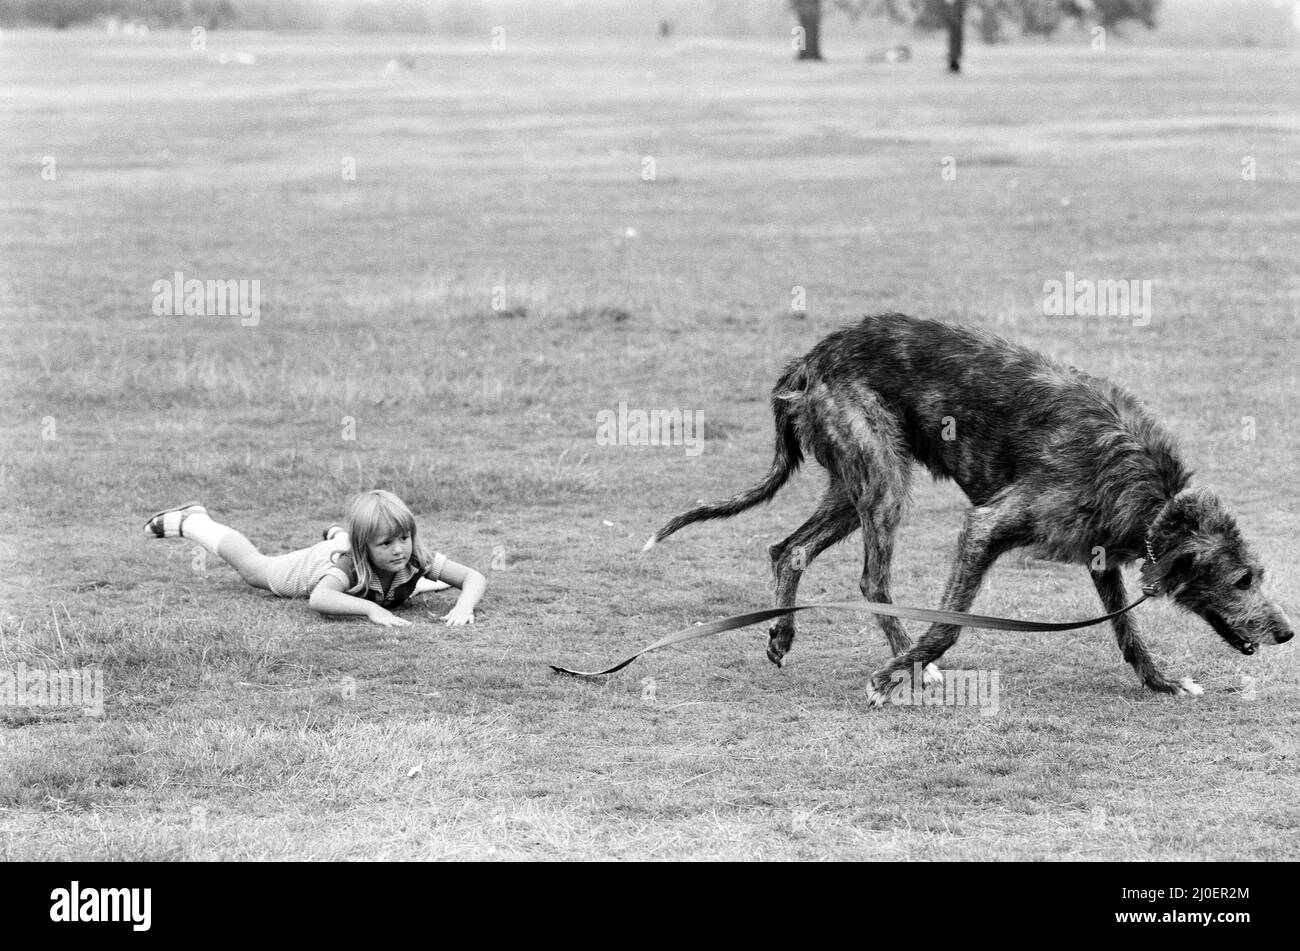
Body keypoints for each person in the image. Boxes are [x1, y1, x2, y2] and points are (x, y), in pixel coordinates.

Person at [143, 489, 486, 628]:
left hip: (348, 550)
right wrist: (371, 609)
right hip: (314, 567)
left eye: (404, 538)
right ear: (365, 547)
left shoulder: (414, 556)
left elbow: (473, 577)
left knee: (426, 584)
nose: (399, 550)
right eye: (386, 544)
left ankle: (338, 535)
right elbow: (320, 599)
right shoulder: (350, 566)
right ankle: (195, 520)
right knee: (254, 569)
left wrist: (464, 607)